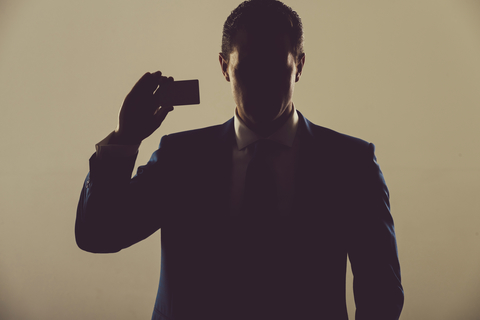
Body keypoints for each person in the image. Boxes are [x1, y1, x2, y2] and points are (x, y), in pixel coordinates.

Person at [75, 0, 404, 319]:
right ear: (224, 67)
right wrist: (125, 137)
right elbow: (99, 233)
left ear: (299, 66)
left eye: (276, 66)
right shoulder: (182, 159)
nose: (262, 83)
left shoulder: (351, 164)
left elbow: (381, 292)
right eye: (248, 67)